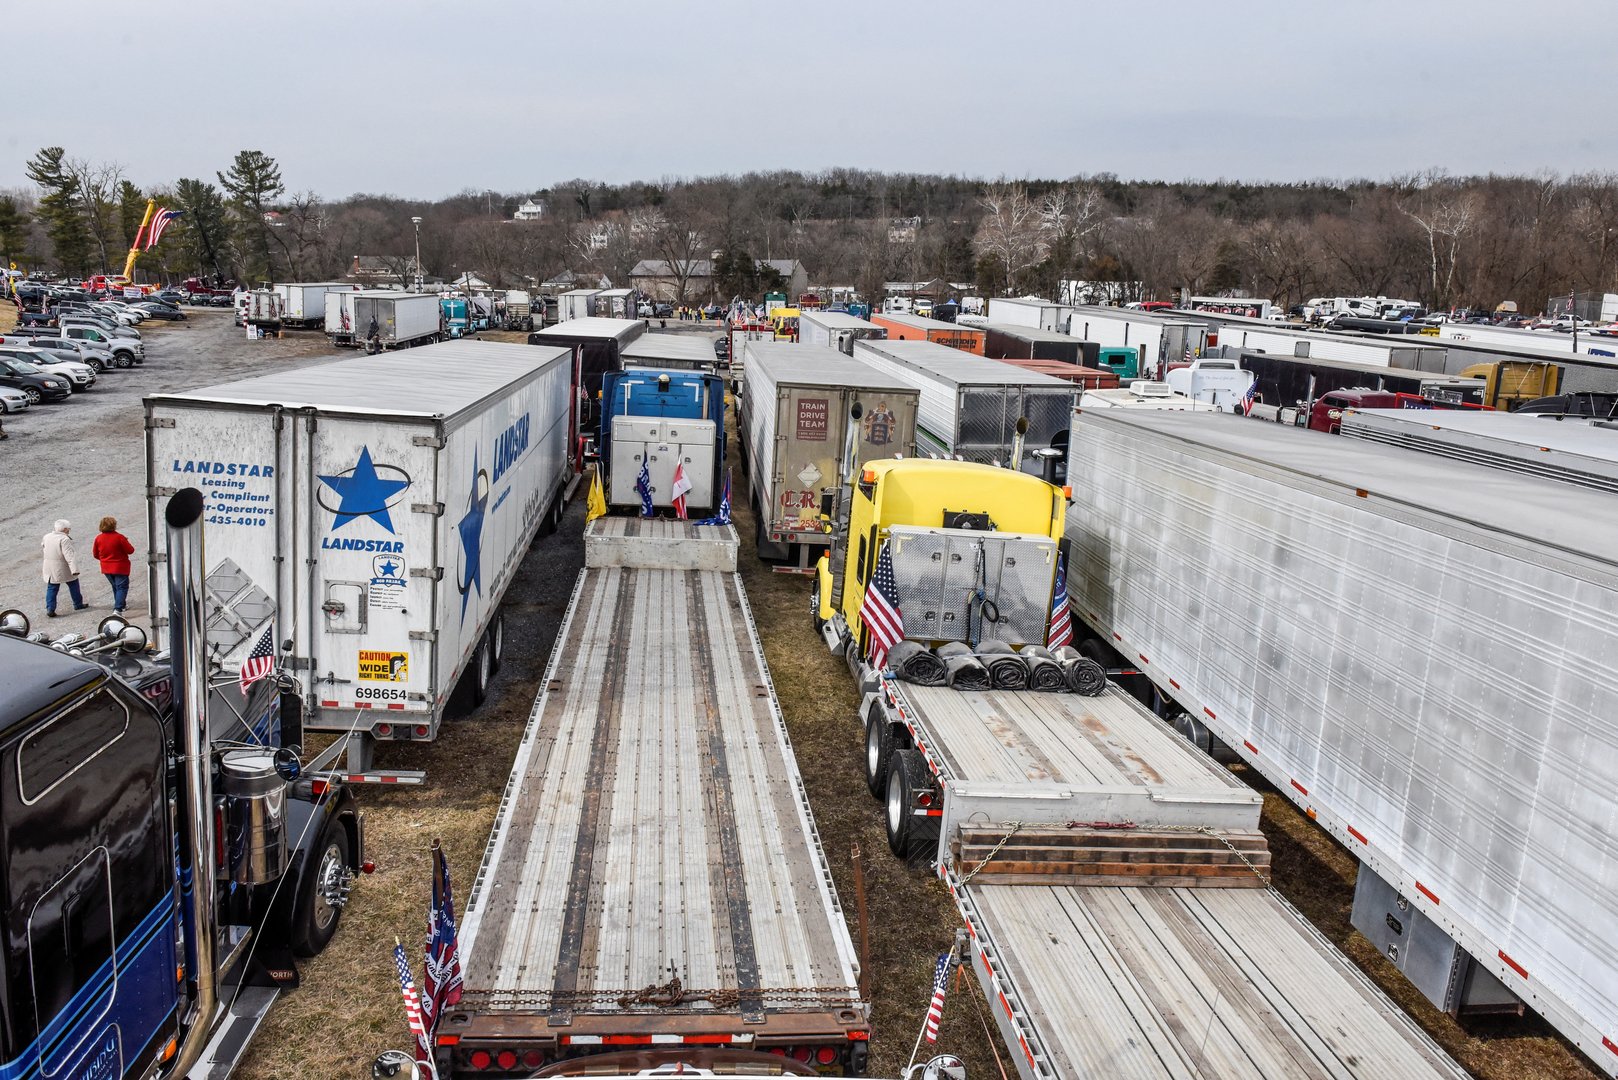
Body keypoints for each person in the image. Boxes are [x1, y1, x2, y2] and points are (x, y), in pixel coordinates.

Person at [42, 519, 87, 617]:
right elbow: (69, 555)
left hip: (49, 567)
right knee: (73, 584)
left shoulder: (47, 536)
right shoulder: (64, 539)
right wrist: (74, 569)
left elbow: (43, 547)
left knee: (52, 587)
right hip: (62, 566)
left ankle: (50, 608)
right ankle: (78, 604)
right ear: (65, 529)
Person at [92, 516, 135, 615]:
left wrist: (104, 560)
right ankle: (118, 609)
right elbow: (130, 550)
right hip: (120, 567)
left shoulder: (98, 538)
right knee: (122, 587)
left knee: (116, 586)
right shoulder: (119, 537)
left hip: (106, 568)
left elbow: (95, 554)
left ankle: (121, 604)